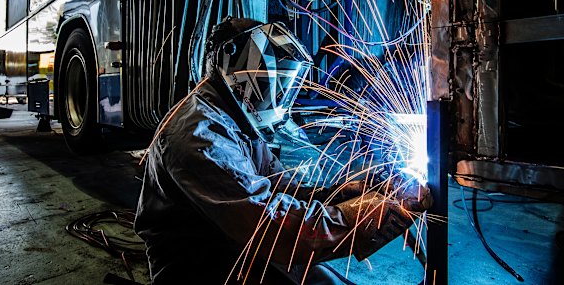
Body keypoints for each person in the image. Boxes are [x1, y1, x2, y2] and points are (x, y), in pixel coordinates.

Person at [134, 17, 432, 284]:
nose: (278, 95)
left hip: (231, 244)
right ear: (241, 68)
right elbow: (271, 227)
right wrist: (365, 215)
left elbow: (279, 187)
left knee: (323, 282)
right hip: (197, 266)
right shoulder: (201, 135)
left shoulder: (233, 117)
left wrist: (348, 192)